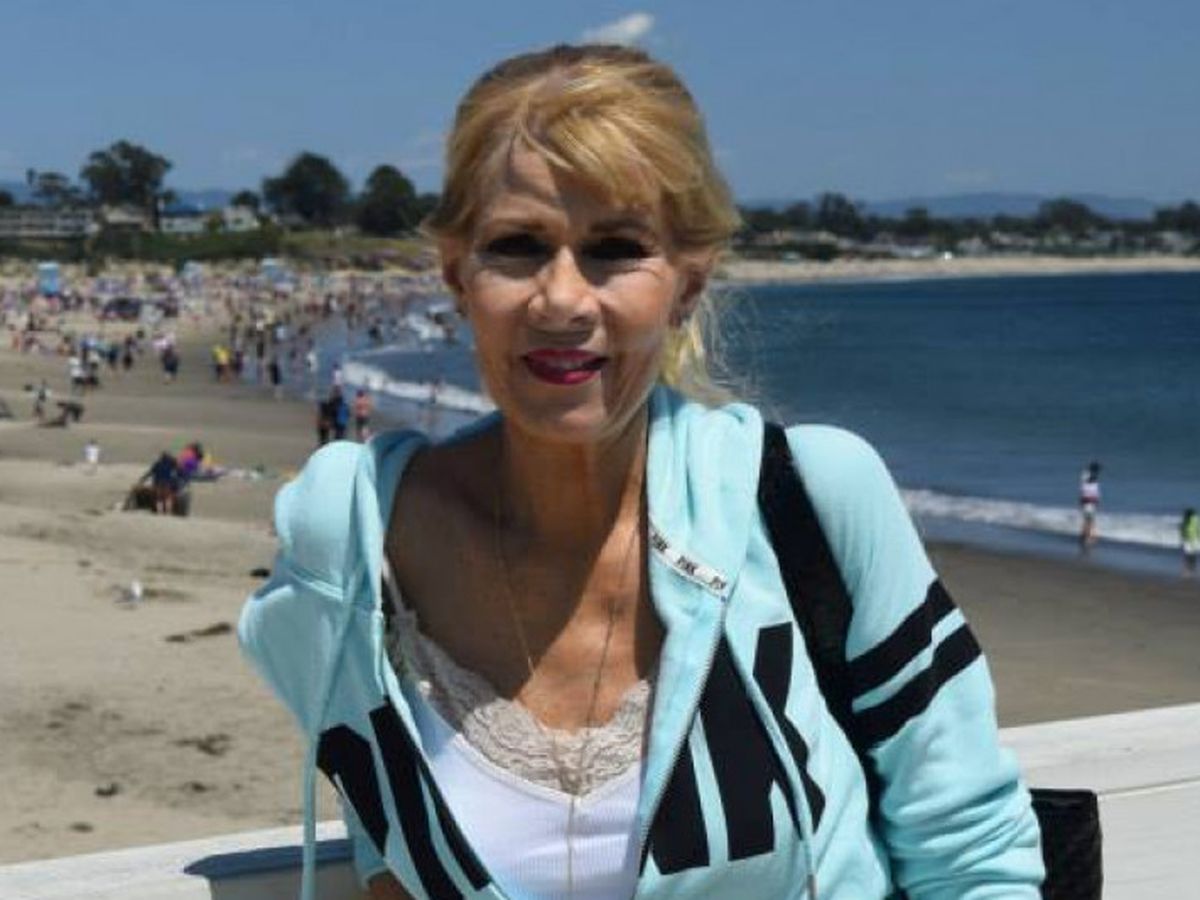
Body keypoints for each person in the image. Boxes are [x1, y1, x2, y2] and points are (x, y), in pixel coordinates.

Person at [240, 45, 1043, 900]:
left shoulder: (806, 500)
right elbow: (385, 841)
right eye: (517, 247)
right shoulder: (354, 540)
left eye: (615, 249)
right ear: (456, 275)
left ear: (687, 284)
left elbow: (972, 859)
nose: (562, 299)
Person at [1079, 460, 1102, 551]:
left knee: (1087, 520)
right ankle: (1088, 538)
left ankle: (1085, 536)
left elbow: (1084, 493)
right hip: (1090, 502)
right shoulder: (1092, 483)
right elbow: (1095, 495)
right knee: (1090, 520)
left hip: (1086, 502)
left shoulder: (1085, 482)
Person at [1182, 508, 1199, 578]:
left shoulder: (1186, 520)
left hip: (1188, 539)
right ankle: (1192, 569)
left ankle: (1187, 570)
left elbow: (1183, 529)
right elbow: (1197, 529)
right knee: (1193, 555)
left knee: (1188, 555)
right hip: (1194, 539)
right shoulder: (1195, 520)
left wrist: (1183, 536)